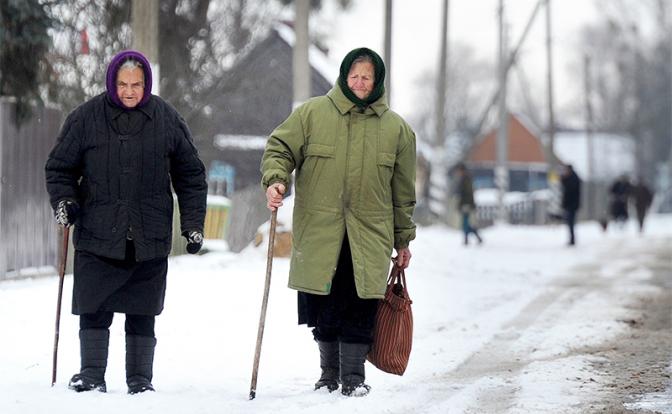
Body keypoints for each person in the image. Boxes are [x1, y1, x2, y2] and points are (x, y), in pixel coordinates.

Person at [45, 50, 207, 394]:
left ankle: (140, 380)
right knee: (93, 305)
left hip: (148, 232)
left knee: (143, 309)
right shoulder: (85, 118)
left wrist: (192, 224)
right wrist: (65, 202)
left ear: (146, 83)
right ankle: (91, 375)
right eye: (123, 84)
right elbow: (59, 168)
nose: (130, 91)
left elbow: (191, 175)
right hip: (97, 230)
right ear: (111, 83)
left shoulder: (166, 118)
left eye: (136, 84)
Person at [261, 47, 416, 397]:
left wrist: (403, 240)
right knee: (324, 305)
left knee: (361, 303)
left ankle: (353, 377)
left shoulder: (396, 129)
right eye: (355, 76)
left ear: (377, 82)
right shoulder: (312, 114)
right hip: (320, 230)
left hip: (370, 232)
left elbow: (403, 193)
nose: (360, 83)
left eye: (367, 78)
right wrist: (276, 179)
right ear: (344, 77)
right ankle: (328, 374)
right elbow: (279, 148)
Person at [453, 163, 483, 245]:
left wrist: (463, 203)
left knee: (465, 223)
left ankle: (469, 238)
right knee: (465, 222)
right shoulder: (465, 178)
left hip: (466, 204)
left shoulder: (465, 179)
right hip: (466, 203)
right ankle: (475, 237)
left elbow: (467, 193)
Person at [560, 164, 581, 245]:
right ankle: (572, 239)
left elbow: (569, 189)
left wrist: (563, 179)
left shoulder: (573, 178)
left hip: (572, 205)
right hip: (571, 204)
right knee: (569, 223)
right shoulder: (572, 178)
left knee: (570, 223)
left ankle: (572, 239)